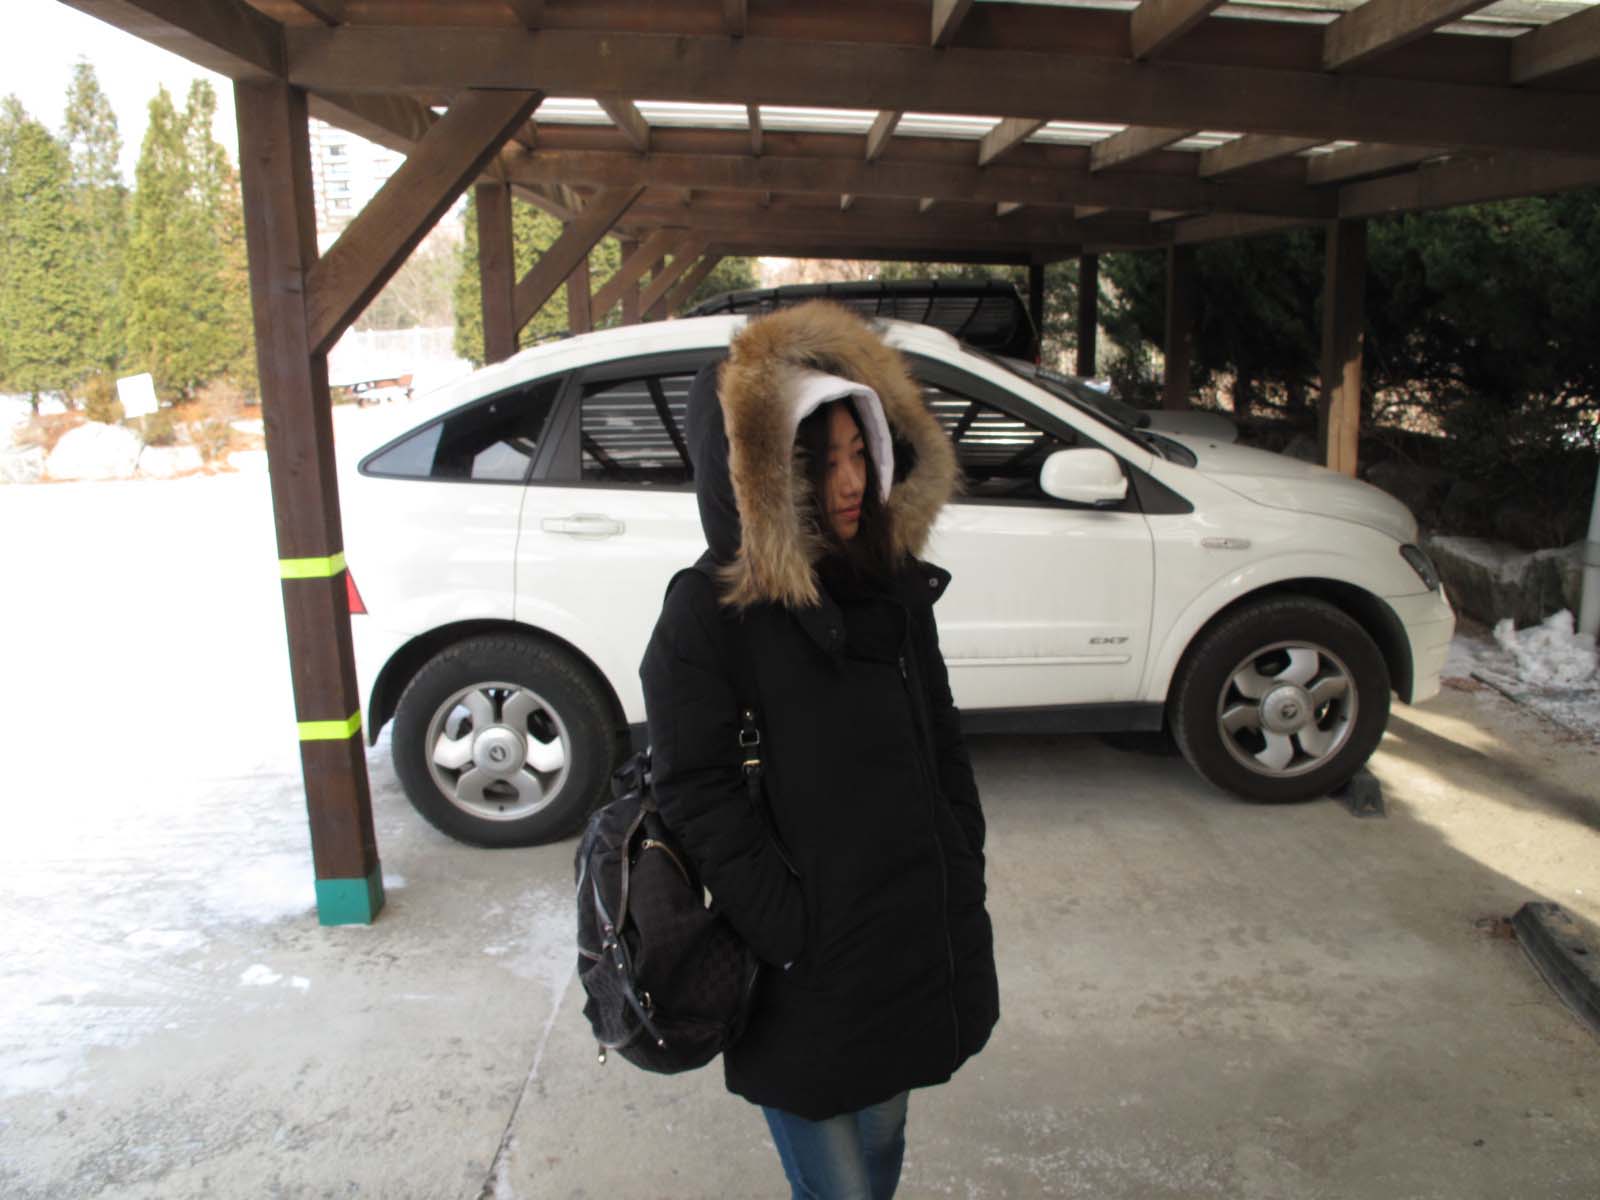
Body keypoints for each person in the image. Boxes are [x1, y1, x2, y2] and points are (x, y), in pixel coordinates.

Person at [640, 301, 999, 1200]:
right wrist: (786, 926)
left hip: (902, 938)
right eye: (818, 460)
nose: (847, 482)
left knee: (882, 1147)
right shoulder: (708, 612)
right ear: (765, 474)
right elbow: (693, 786)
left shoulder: (890, 586)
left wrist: (961, 845)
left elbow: (941, 732)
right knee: (839, 1188)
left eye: (856, 453)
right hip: (801, 965)